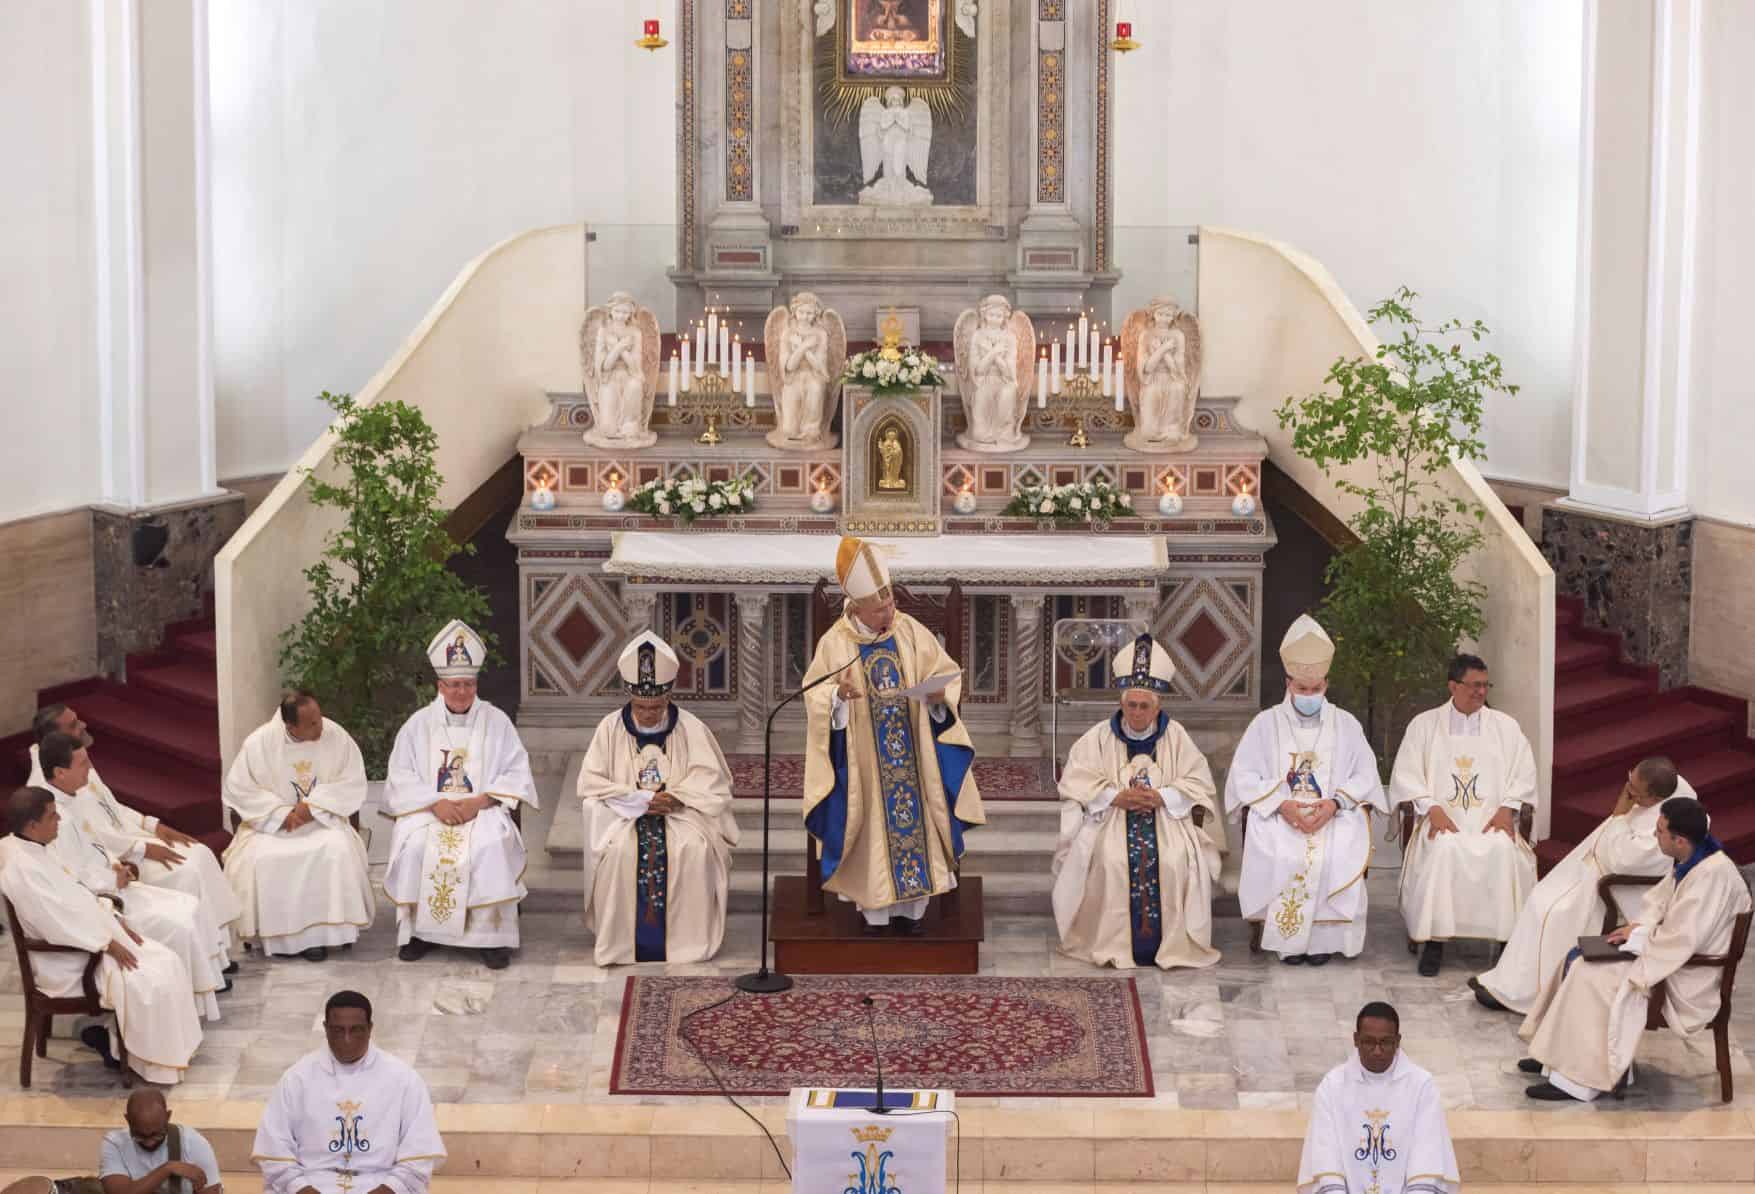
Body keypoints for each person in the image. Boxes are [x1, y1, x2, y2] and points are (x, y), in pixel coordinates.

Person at [802, 536, 984, 935]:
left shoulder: (910, 630)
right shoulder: (836, 643)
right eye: (880, 608)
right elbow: (813, 693)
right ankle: (876, 915)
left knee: (915, 818)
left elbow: (946, 674)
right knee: (871, 828)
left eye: (891, 605)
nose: (889, 612)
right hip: (863, 761)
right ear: (856, 607)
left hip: (915, 755)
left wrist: (939, 696)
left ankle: (913, 913)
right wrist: (837, 697)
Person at [1520, 795, 1752, 1102]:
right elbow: (1660, 903)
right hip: (1668, 957)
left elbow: (1683, 939)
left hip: (1685, 976)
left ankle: (1579, 1081)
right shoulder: (1694, 858)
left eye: (1659, 832)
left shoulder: (1713, 876)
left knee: (1591, 977)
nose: (1655, 837)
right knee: (1575, 959)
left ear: (1680, 840)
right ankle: (1555, 1055)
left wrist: (1640, 937)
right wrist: (1635, 930)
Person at [0, 787, 203, 1085]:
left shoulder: (37, 850)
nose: (59, 820)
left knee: (167, 959)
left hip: (88, 939)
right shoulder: (22, 870)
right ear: (32, 826)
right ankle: (130, 1057)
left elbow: (77, 896)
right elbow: (57, 924)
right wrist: (106, 943)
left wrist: (115, 921)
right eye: (52, 816)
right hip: (72, 962)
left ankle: (144, 1051)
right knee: (151, 979)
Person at [30, 704, 241, 979]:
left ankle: (216, 953)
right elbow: (91, 836)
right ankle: (203, 966)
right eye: (72, 725)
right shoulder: (49, 791)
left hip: (124, 844)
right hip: (119, 857)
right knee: (186, 871)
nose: (82, 725)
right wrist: (140, 850)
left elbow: (111, 806)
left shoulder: (75, 759)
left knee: (199, 852)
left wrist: (152, 825)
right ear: (53, 739)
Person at [1052, 634, 1222, 970]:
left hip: (1167, 822)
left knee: (1173, 861)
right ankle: (1111, 942)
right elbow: (1075, 778)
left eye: (1145, 706)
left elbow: (1199, 780)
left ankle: (1169, 945)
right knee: (1112, 860)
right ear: (1121, 703)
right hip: (1111, 820)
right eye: (1132, 705)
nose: (1138, 713)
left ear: (1157, 706)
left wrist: (1162, 796)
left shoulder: (1176, 736)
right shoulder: (1099, 736)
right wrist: (1116, 796)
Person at [1225, 615, 1386, 965]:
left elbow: (1365, 773)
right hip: (1282, 815)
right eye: (1302, 689)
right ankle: (1288, 940)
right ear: (1288, 682)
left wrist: (1334, 804)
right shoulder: (1264, 723)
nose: (1309, 696)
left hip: (1333, 814)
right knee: (1284, 853)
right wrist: (1282, 805)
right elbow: (1244, 776)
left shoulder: (1346, 723)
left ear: (1326, 683)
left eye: (1316, 690)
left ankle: (1324, 943)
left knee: (1334, 853)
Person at [1473, 757, 1689, 1014]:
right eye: (1629, 780)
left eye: (1634, 791)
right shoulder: (1658, 786)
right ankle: (1510, 984)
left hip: (1617, 885)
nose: (1627, 792)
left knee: (1554, 914)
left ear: (1653, 797)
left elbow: (1624, 861)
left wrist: (1619, 815)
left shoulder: (1668, 824)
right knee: (1538, 898)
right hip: (1593, 869)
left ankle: (1537, 996)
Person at [577, 632, 739, 964]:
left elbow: (713, 782)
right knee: (622, 850)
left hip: (681, 815)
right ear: (630, 700)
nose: (648, 714)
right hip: (625, 817)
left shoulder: (690, 727)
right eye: (640, 707)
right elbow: (591, 783)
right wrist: (634, 799)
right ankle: (623, 944)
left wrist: (677, 797)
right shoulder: (609, 728)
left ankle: (685, 943)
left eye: (655, 707)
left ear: (667, 699)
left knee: (692, 849)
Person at [384, 620, 537, 970]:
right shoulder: (418, 724)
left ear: (476, 684)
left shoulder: (497, 722)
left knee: (489, 844)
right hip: (428, 808)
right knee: (418, 845)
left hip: (481, 808)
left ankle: (492, 939)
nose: (461, 692)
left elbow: (515, 771)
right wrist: (435, 802)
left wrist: (479, 802)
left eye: (468, 684)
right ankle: (420, 934)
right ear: (440, 686)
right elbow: (400, 774)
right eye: (454, 685)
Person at [1391, 653, 1538, 977]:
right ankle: (1434, 943)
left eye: (1485, 685)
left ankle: (1505, 943)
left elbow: (1524, 773)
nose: (1481, 692)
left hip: (1490, 822)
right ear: (1452, 686)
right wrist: (1430, 807)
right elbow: (1407, 774)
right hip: (1443, 822)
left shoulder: (1506, 727)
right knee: (1444, 850)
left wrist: (1508, 807)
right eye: (1474, 686)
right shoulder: (1425, 725)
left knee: (1501, 850)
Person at [222, 691, 375, 962]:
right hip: (273, 825)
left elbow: (351, 780)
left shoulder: (335, 735)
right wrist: (281, 813)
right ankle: (280, 939)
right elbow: (239, 789)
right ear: (290, 726)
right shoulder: (260, 743)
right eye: (312, 724)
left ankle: (328, 935)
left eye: (319, 718)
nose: (321, 726)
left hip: (323, 820)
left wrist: (313, 806)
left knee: (337, 848)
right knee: (264, 858)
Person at [252, 990, 445, 1193]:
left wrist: (390, 1187)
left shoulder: (403, 1079)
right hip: (312, 1181)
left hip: (380, 1181)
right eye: (337, 1031)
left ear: (370, 1029)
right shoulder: (297, 1078)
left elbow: (419, 1152)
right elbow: (274, 1147)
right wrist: (300, 1187)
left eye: (356, 1030)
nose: (346, 1040)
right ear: (325, 1029)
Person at [1298, 1002, 1460, 1194]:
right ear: (1356, 1039)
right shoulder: (1332, 1086)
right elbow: (1325, 1152)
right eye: (1368, 1042)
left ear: (1398, 1041)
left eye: (1385, 1042)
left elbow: (1426, 1153)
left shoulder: (1421, 1085)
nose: (1377, 1051)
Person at [100, 1089, 223, 1194]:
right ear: (127, 1119)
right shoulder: (114, 1144)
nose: (149, 1143)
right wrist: (168, 1168)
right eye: (140, 1136)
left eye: (156, 1135)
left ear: (168, 1116)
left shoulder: (193, 1142)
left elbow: (212, 1190)